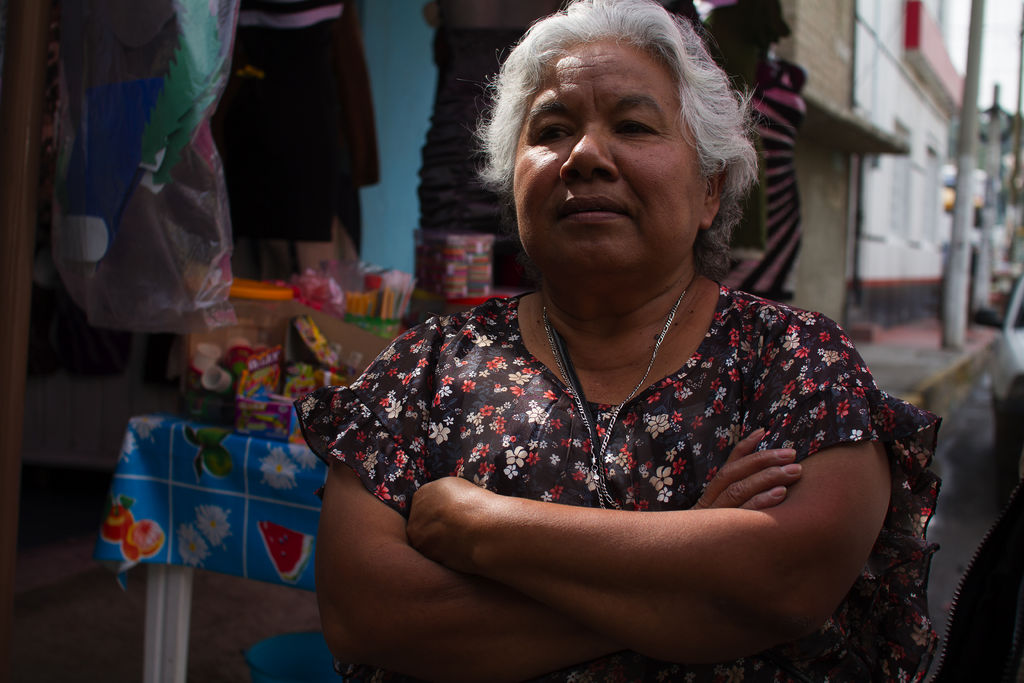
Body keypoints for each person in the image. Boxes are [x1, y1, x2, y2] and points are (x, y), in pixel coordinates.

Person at [296, 0, 940, 680]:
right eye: (552, 130)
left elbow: (789, 581)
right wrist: (693, 556)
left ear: (711, 190)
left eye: (633, 125)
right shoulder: (426, 366)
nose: (585, 157)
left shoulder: (797, 363)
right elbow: (365, 613)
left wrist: (485, 529)